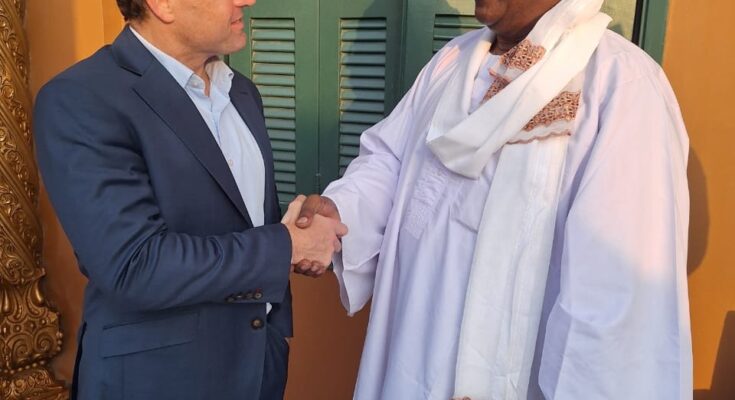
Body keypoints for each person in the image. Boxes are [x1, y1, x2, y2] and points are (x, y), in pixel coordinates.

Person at [292, 0, 692, 398]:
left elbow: (618, 295)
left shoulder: (621, 83)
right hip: (410, 342)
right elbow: (391, 160)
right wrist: (341, 210)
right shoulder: (453, 60)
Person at [33, 0, 345, 398]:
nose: (247, 0)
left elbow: (238, 219)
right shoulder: (81, 99)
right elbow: (133, 266)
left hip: (257, 369)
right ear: (162, 4)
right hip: (158, 381)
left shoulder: (241, 92)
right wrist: (286, 247)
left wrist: (300, 231)